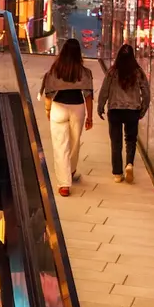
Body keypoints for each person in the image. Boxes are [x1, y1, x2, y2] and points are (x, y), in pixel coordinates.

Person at [40, 39, 93, 196]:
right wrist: (90, 117)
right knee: (74, 143)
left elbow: (48, 93)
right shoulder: (84, 72)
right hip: (77, 108)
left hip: (58, 107)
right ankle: (71, 171)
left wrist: (48, 110)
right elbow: (88, 95)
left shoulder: (55, 70)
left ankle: (64, 185)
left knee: (60, 146)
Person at [97, 44, 149, 184]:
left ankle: (117, 174)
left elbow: (104, 90)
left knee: (116, 142)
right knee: (130, 140)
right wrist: (143, 109)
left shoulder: (112, 72)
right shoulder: (138, 72)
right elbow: (146, 92)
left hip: (115, 110)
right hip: (133, 110)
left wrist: (100, 106)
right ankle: (129, 164)